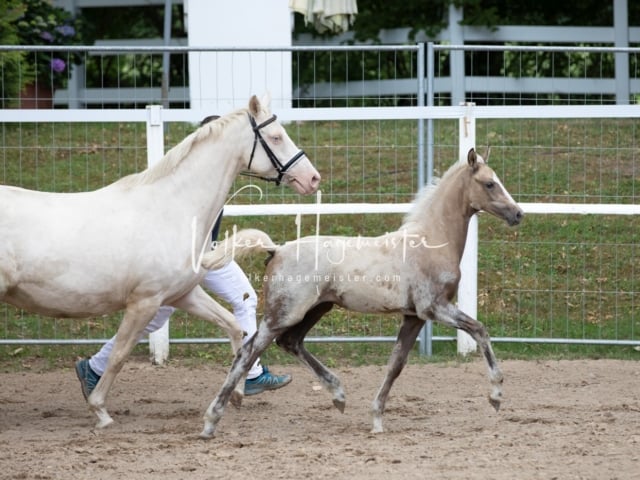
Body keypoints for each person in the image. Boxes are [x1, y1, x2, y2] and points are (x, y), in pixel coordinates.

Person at [75, 214, 292, 400]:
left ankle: (94, 368)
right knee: (156, 316)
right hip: (186, 255)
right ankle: (94, 369)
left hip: (203, 250)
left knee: (242, 299)